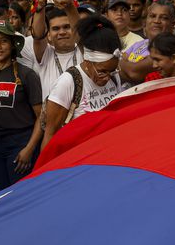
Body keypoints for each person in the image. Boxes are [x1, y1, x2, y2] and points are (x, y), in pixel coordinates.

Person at [0, 23, 43, 189]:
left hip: (20, 143)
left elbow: (41, 116)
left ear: (12, 45)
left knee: (20, 195)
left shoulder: (27, 74)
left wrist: (29, 149)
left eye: (3, 41)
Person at [42, 16, 126, 148]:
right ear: (87, 61)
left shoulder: (114, 77)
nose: (107, 77)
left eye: (112, 71)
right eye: (102, 71)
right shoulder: (68, 82)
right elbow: (50, 135)